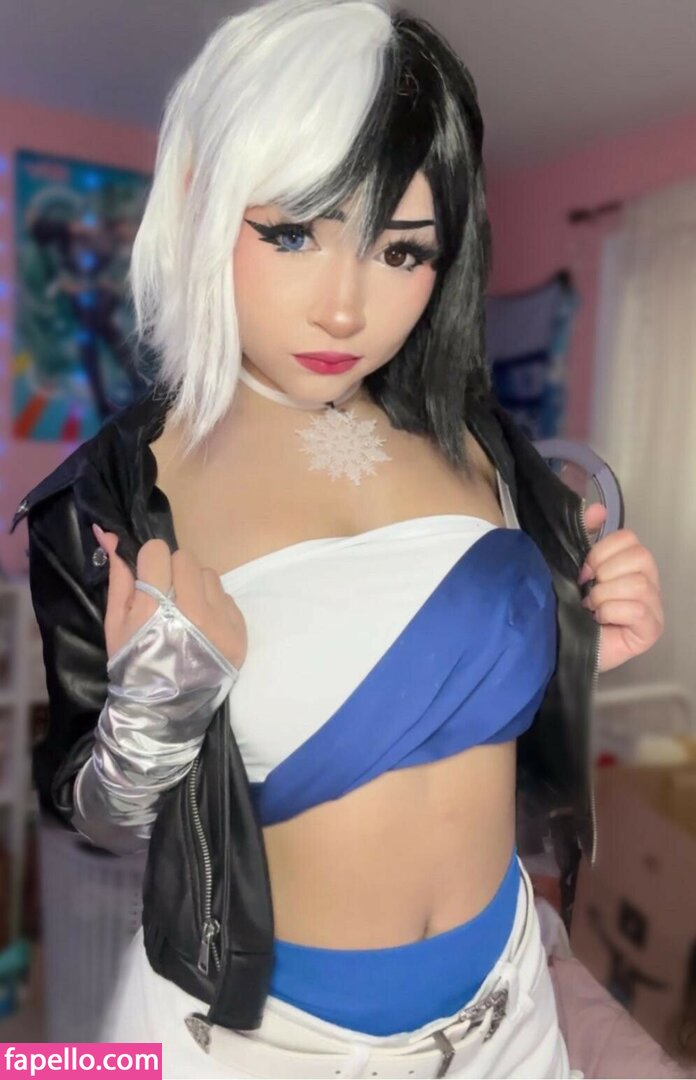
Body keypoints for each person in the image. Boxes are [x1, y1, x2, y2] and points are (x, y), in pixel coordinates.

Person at [14, 1, 664, 1076]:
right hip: (255, 1042)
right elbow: (98, 823)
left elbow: (489, 717)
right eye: (293, 234)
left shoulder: (479, 442)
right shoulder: (115, 501)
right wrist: (153, 720)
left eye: (402, 251)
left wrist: (584, 636)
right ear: (201, 199)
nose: (346, 309)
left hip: (505, 1015)